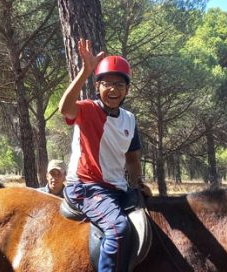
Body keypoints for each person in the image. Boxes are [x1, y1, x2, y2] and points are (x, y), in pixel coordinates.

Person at [59, 39, 150, 272]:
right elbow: (64, 108)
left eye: (120, 84)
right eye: (107, 83)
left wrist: (138, 183)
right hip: (86, 187)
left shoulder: (129, 119)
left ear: (127, 90)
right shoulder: (87, 109)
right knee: (118, 229)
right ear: (98, 86)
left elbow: (131, 159)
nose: (114, 89)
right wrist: (85, 71)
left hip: (117, 188)